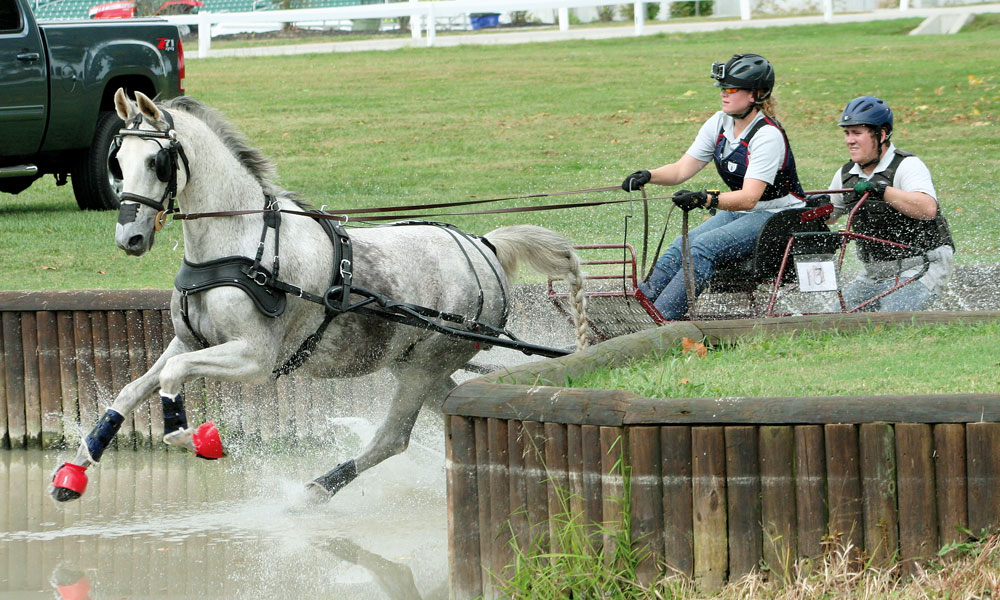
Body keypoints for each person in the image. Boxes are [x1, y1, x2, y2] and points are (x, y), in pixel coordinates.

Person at [621, 53, 806, 320]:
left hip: (777, 216)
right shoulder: (719, 122)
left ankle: (663, 320)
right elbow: (682, 169)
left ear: (756, 94)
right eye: (722, 87)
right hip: (743, 212)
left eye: (731, 88)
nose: (723, 94)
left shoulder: (767, 135)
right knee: (680, 246)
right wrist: (648, 175)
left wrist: (706, 199)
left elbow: (750, 199)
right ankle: (639, 310)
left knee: (702, 248)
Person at [827, 95, 954, 312]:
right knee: (834, 316)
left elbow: (927, 208)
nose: (849, 140)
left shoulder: (908, 165)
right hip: (874, 273)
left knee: (892, 314)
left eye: (857, 133)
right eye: (847, 133)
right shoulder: (846, 174)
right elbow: (829, 213)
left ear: (882, 134)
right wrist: (809, 208)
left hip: (923, 263)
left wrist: (882, 190)